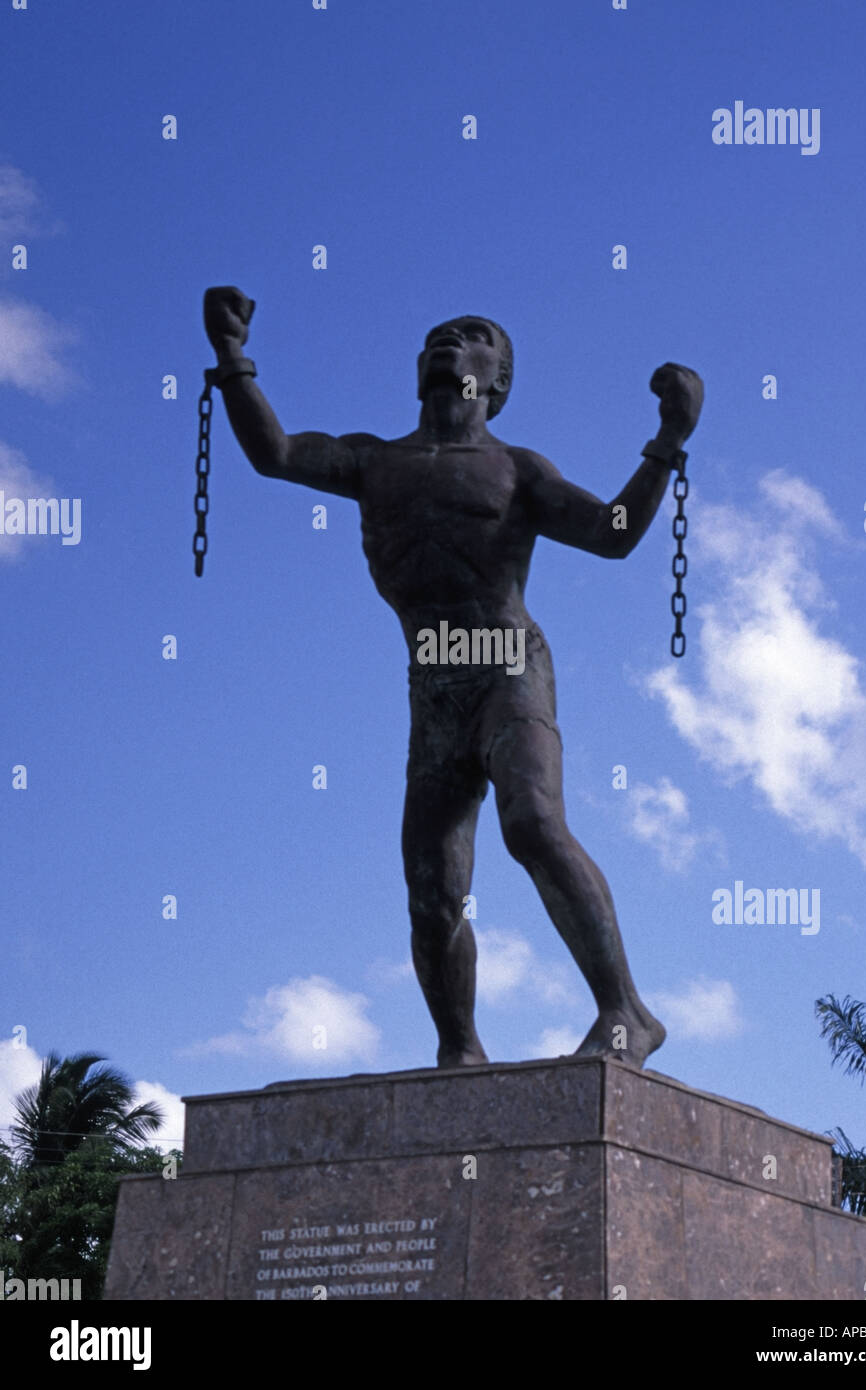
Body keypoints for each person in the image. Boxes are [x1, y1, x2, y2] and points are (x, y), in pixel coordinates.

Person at [203, 288, 703, 1067]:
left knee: (531, 823)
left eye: (473, 337)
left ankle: (625, 1013)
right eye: (436, 335)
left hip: (509, 668)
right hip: (432, 685)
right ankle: (459, 1052)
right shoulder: (375, 461)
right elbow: (274, 453)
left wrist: (668, 440)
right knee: (432, 891)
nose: (448, 341)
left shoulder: (514, 468)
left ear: (496, 382)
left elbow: (613, 535)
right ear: (417, 372)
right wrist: (233, 359)